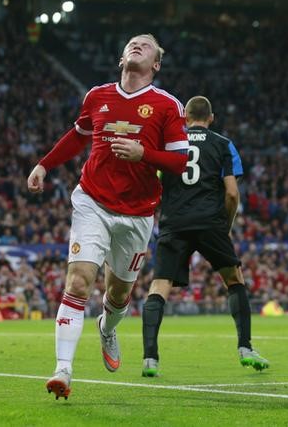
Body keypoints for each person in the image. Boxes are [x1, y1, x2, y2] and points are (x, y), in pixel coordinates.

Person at [27, 34, 189, 400]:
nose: (138, 47)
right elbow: (78, 135)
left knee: (118, 295)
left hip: (137, 212)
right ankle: (63, 370)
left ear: (156, 65)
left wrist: (143, 153)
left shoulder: (167, 106)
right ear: (121, 57)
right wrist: (44, 164)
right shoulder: (97, 96)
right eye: (133, 43)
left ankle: (107, 326)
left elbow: (181, 162)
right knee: (79, 282)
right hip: (93, 200)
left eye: (146, 46)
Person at [140, 96, 269, 377]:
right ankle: (245, 347)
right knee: (234, 279)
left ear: (184, 116)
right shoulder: (223, 144)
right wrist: (226, 225)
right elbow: (232, 193)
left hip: (174, 222)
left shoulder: (170, 143)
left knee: (159, 286)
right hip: (210, 221)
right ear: (211, 117)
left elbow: (155, 180)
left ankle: (150, 358)